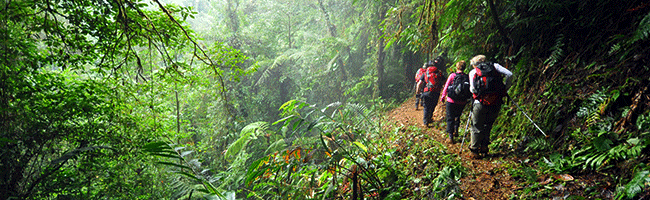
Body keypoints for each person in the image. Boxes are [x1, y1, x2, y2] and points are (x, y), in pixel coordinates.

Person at [468, 55, 513, 159]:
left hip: (480, 102)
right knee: (488, 125)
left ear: (475, 64)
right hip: (495, 101)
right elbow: (510, 74)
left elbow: (472, 89)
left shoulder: (473, 72)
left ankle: (474, 150)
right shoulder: (495, 67)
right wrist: (505, 89)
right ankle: (484, 148)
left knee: (476, 126)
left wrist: (479, 94)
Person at [439, 61, 469, 144]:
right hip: (462, 101)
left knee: (450, 117)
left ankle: (450, 137)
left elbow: (446, 86)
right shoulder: (467, 76)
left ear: (457, 67)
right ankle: (456, 130)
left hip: (451, 100)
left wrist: (443, 96)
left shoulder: (453, 76)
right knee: (457, 116)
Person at [416, 60, 445, 127]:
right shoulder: (440, 74)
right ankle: (430, 118)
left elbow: (419, 84)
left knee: (426, 106)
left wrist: (418, 93)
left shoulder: (425, 73)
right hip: (436, 92)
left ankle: (425, 122)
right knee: (433, 105)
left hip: (427, 92)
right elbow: (444, 83)